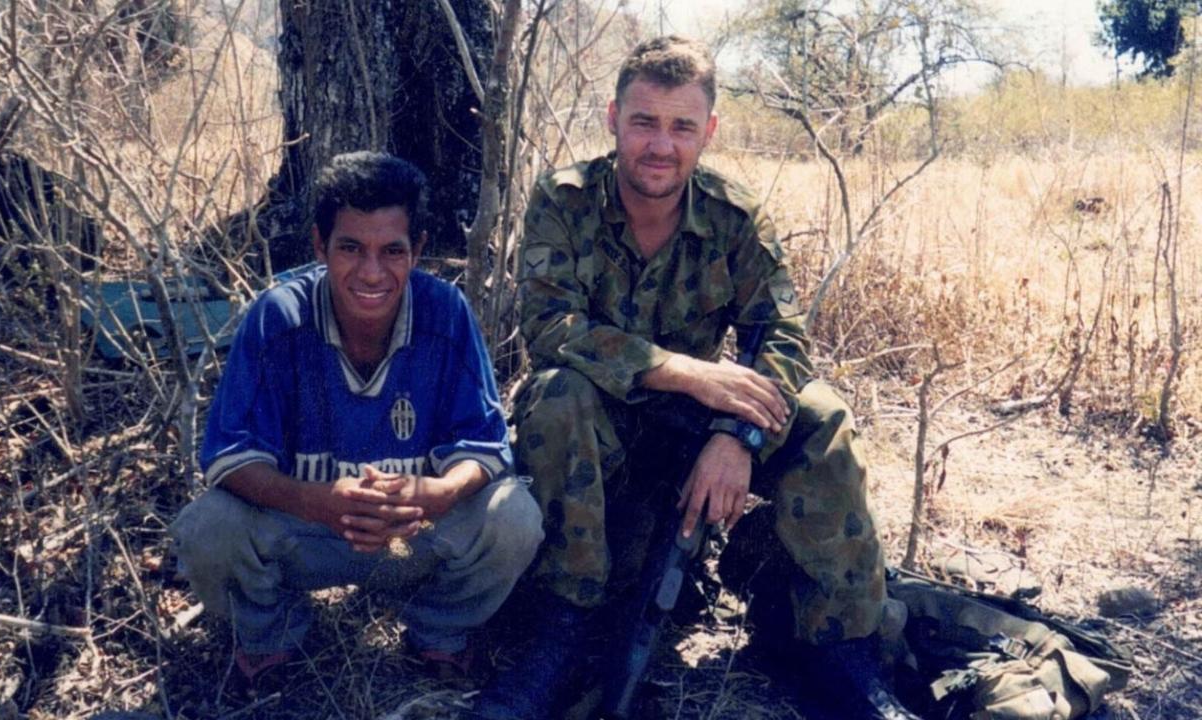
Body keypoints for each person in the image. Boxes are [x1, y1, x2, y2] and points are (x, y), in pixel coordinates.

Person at [469, 36, 917, 719]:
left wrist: (736, 435)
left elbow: (785, 334)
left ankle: (836, 645)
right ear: (613, 117)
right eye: (644, 121)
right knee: (557, 394)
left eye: (681, 127)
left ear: (707, 132)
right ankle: (563, 631)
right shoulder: (564, 200)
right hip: (606, 421)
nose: (660, 145)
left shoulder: (733, 215)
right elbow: (550, 328)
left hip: (702, 428)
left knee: (823, 415)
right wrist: (683, 372)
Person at [170, 151, 543, 684]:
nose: (371, 272)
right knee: (208, 529)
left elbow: (484, 451)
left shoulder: (446, 313)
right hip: (307, 528)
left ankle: (438, 633)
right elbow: (229, 460)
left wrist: (434, 494)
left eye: (392, 250)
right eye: (351, 248)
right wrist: (318, 502)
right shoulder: (279, 316)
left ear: (417, 250)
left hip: (412, 531)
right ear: (321, 247)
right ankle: (273, 638)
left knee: (514, 517)